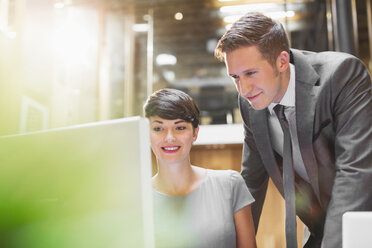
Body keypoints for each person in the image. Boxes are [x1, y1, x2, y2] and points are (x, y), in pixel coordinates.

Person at [214, 12, 372, 248]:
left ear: (282, 61)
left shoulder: (342, 75)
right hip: (319, 229)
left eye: (250, 73)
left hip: (362, 221)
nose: (244, 89)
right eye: (235, 77)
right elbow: (251, 184)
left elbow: (355, 172)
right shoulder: (251, 104)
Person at [143, 88, 257, 248]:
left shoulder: (230, 185)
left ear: (195, 132)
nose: (169, 137)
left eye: (180, 127)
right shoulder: (137, 199)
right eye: (158, 128)